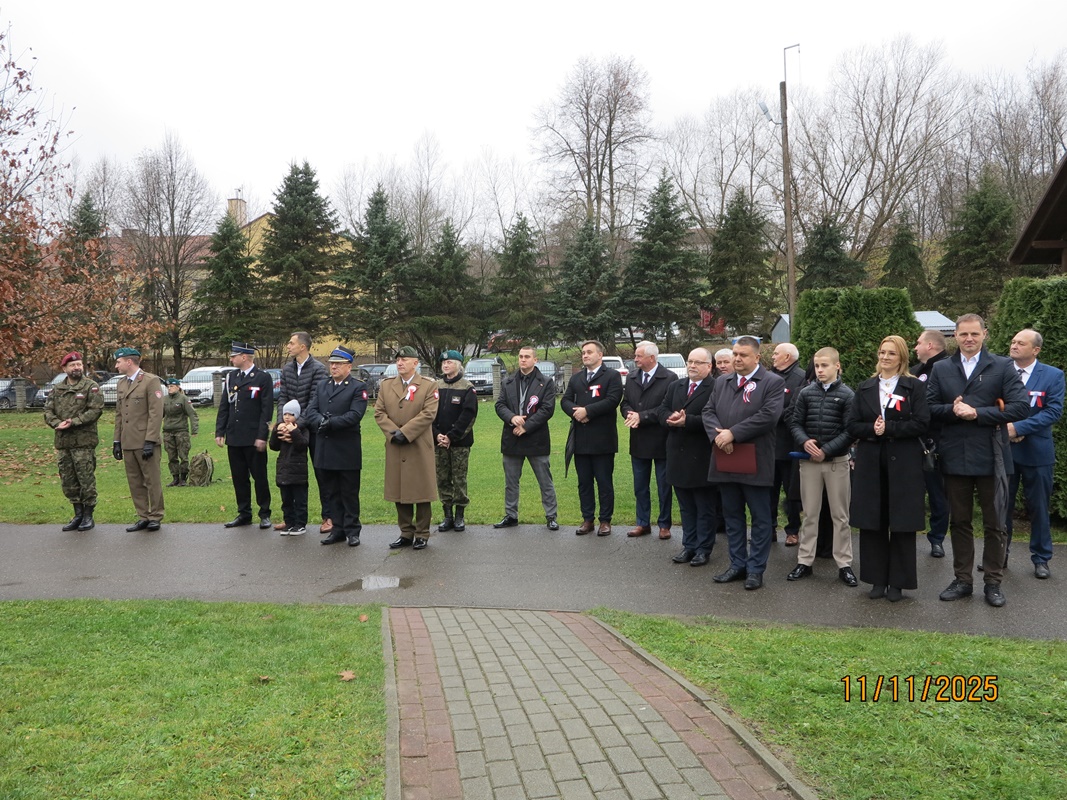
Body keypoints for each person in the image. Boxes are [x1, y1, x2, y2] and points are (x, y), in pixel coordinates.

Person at [927, 314, 1029, 607]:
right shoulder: (942, 368)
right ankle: (962, 580)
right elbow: (929, 407)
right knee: (959, 521)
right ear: (955, 336)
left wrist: (978, 413)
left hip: (992, 455)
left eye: (974, 334)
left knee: (996, 523)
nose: (969, 339)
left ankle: (993, 582)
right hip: (954, 454)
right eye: (963, 334)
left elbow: (1021, 407)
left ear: (985, 334)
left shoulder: (1002, 366)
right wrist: (953, 410)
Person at [846, 336, 929, 601]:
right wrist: (872, 429)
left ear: (901, 357)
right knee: (873, 520)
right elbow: (852, 425)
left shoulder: (913, 387)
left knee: (902, 522)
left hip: (904, 462)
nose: (885, 357)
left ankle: (898, 583)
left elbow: (922, 423)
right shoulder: (866, 387)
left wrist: (890, 428)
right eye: (882, 352)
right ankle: (877, 579)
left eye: (891, 353)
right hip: (871, 461)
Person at [702, 336, 785, 589]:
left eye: (743, 355)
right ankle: (737, 564)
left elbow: (768, 416)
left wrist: (733, 434)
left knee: (760, 518)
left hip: (755, 461)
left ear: (757, 357)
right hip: (725, 458)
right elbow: (708, 411)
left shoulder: (772, 382)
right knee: (732, 515)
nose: (737, 359)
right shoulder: (722, 382)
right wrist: (719, 437)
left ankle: (755, 570)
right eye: (735, 354)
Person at [786, 347, 857, 587]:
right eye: (817, 366)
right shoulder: (806, 393)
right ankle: (804, 561)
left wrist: (826, 450)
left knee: (840, 516)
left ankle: (844, 564)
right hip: (809, 463)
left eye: (824, 365)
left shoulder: (847, 395)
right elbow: (795, 423)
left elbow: (850, 431)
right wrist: (805, 442)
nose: (820, 370)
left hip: (836, 462)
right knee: (810, 514)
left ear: (837, 366)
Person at [1005, 329, 1064, 579]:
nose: (1014, 345)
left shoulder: (1052, 375)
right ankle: (998, 555)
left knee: (1038, 508)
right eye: (1013, 341)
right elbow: (989, 404)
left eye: (1021, 343)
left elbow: (1053, 411)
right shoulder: (1000, 370)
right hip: (1005, 450)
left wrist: (1018, 428)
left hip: (1037, 453)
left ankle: (1041, 558)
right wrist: (1005, 428)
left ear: (1036, 350)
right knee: (1001, 507)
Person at [375, 346, 439, 550]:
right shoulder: (387, 386)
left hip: (418, 445)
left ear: (415, 363)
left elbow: (428, 413)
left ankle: (422, 533)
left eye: (404, 360)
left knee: (421, 490)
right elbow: (379, 413)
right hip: (396, 444)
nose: (400, 363)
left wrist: (406, 432)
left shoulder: (428, 385)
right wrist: (394, 433)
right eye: (398, 360)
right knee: (399, 489)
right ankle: (406, 532)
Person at [659, 348, 717, 566]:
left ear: (709, 366)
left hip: (702, 456)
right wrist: (671, 417)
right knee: (686, 507)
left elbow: (716, 419)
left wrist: (688, 421)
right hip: (677, 455)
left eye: (698, 362)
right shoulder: (676, 386)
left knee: (704, 507)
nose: (692, 365)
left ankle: (703, 549)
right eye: (690, 361)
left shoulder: (716, 388)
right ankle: (689, 545)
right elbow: (661, 410)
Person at [306, 347, 368, 547]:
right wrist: (320, 421)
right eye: (332, 363)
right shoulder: (322, 385)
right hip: (325, 448)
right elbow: (311, 411)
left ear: (349, 366)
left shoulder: (357, 387)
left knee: (349, 492)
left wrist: (331, 423)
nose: (333, 367)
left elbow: (355, 415)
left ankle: (352, 530)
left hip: (346, 449)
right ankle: (337, 530)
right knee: (331, 492)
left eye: (338, 364)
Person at [493, 345, 559, 530]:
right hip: (512, 438)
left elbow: (547, 409)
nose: (523, 359)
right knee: (511, 482)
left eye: (527, 356)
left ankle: (551, 516)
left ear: (535, 360)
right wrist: (512, 418)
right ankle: (511, 515)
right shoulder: (507, 381)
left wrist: (526, 426)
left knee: (545, 481)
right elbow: (500, 405)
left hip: (536, 439)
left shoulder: (546, 382)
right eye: (521, 356)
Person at [561, 340, 624, 536]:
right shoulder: (576, 378)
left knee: (604, 482)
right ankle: (587, 519)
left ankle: (605, 520)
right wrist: (576, 413)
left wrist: (588, 411)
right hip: (581, 439)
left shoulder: (612, 376)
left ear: (600, 355)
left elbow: (613, 400)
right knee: (584, 482)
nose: (585, 355)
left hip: (602, 439)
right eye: (583, 352)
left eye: (589, 352)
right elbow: (565, 400)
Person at [215, 342, 274, 530]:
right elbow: (225, 406)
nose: (231, 359)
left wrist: (262, 436)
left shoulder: (262, 378)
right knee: (239, 478)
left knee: (259, 477)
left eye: (234, 356)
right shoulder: (231, 377)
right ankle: (244, 513)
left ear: (244, 357)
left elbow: (266, 409)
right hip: (234, 436)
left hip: (253, 436)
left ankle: (264, 513)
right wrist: (220, 431)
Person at [276, 331, 330, 533]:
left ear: (303, 346)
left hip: (313, 430)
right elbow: (282, 398)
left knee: (321, 473)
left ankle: (328, 517)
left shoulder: (318, 369)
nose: (288, 346)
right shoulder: (287, 369)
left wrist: (297, 425)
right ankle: (291, 519)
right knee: (290, 473)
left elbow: (315, 401)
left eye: (291, 343)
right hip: (290, 428)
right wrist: (282, 423)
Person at [44, 351, 103, 531]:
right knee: (68, 481)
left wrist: (74, 422)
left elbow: (95, 410)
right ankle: (78, 514)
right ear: (64, 368)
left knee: (86, 479)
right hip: (64, 443)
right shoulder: (57, 389)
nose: (76, 367)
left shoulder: (91, 387)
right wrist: (57, 423)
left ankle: (88, 516)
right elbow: (48, 411)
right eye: (72, 365)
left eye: (79, 364)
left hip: (83, 442)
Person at [621, 341, 673, 539]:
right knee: (640, 486)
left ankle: (664, 525)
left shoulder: (669, 377)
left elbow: (667, 408)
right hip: (639, 440)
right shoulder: (632, 377)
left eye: (639, 356)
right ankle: (642, 523)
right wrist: (629, 414)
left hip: (661, 440)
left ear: (651, 358)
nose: (635, 359)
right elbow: (625, 403)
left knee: (664, 486)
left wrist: (641, 417)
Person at [112, 346, 165, 531]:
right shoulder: (121, 383)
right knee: (135, 481)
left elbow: (156, 413)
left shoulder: (150, 381)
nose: (116, 365)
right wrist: (117, 441)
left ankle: (155, 516)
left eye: (118, 362)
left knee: (152, 480)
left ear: (129, 362)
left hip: (145, 440)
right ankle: (143, 515)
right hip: (128, 441)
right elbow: (119, 414)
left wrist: (150, 440)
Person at [912, 329, 950, 557]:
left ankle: (937, 539)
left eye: (918, 343)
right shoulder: (916, 371)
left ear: (930, 345)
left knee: (938, 494)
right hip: (912, 441)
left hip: (937, 442)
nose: (915, 347)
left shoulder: (947, 369)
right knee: (911, 492)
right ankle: (907, 533)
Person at [433, 350, 478, 532]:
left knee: (459, 479)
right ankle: (447, 515)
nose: (445, 365)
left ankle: (459, 515)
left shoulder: (467, 388)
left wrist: (451, 436)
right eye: (443, 362)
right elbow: (428, 413)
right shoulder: (436, 386)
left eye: (450, 362)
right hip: (438, 442)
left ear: (459, 365)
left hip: (459, 443)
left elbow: (468, 415)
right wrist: (436, 434)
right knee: (442, 478)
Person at [770, 342, 806, 546]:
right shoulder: (768, 376)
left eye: (776, 353)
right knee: (768, 491)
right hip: (768, 445)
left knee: (791, 490)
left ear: (787, 357)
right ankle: (769, 529)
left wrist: (769, 415)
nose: (773, 356)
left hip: (789, 445)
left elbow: (796, 409)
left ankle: (793, 530)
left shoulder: (801, 378)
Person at [269, 399, 310, 535]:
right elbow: (273, 446)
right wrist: (276, 430)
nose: (287, 417)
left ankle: (300, 524)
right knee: (286, 500)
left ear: (296, 416)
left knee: (299, 500)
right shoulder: (281, 429)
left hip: (298, 471)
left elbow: (302, 445)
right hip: (283, 470)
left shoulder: (303, 430)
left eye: (291, 414)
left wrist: (294, 431)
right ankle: (289, 522)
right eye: (285, 414)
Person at [162, 377, 199, 486]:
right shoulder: (164, 400)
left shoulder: (183, 399)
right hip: (168, 431)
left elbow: (192, 414)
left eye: (172, 386)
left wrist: (194, 429)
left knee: (183, 455)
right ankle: (175, 478)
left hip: (181, 431)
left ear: (178, 387)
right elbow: (159, 414)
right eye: (168, 386)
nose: (169, 388)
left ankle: (183, 478)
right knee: (171, 456)